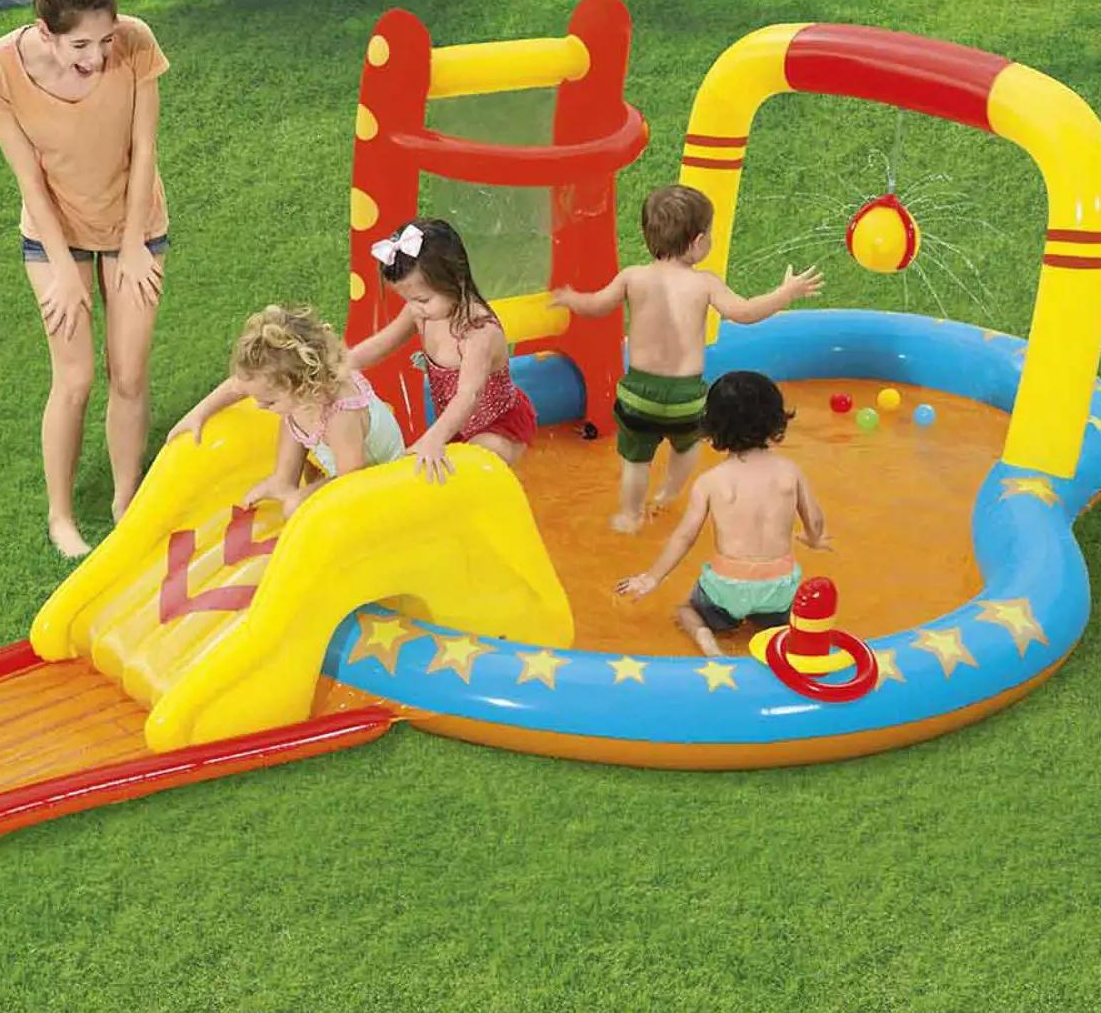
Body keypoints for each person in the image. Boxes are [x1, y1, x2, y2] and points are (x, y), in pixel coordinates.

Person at [0, 0, 171, 556]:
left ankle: (126, 500)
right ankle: (61, 516)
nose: (97, 57)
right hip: (54, 232)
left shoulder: (136, 44)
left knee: (129, 374)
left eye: (105, 40)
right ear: (45, 31)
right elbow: (29, 180)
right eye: (80, 45)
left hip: (134, 224)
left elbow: (144, 147)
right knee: (75, 377)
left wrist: (132, 244)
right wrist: (62, 269)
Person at [552, 183, 822, 533]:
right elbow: (744, 313)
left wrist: (571, 298)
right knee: (687, 447)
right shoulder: (705, 284)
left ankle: (630, 516)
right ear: (697, 242)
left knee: (635, 461)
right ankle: (667, 494)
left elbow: (596, 306)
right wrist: (784, 293)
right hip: (686, 396)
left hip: (638, 393)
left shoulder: (633, 277)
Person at [615, 370, 831, 657]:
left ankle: (708, 643)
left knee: (685, 611)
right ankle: (777, 631)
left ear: (711, 427)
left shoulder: (710, 482)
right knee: (786, 616)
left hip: (726, 588)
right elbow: (815, 520)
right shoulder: (789, 472)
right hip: (779, 587)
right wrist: (813, 538)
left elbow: (684, 538)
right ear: (776, 419)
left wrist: (652, 578)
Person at [350, 218, 535, 483]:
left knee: (477, 458)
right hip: (456, 425)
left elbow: (468, 395)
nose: (414, 308)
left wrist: (433, 438)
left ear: (456, 279)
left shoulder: (477, 332)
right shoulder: (423, 312)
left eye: (422, 299)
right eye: (407, 300)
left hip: (498, 426)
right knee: (446, 466)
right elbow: (383, 343)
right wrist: (343, 364)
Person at [171, 305, 406, 511]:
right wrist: (199, 414)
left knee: (294, 507)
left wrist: (303, 498)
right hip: (344, 462)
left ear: (304, 386)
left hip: (377, 478)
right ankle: (283, 478)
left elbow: (352, 479)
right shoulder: (300, 387)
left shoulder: (341, 419)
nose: (259, 405)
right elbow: (237, 386)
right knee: (289, 410)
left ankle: (289, 486)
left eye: (269, 401)